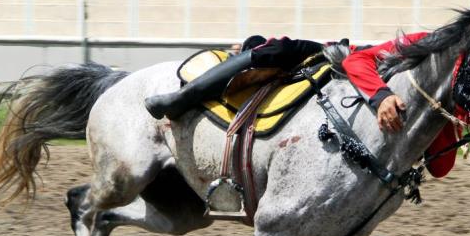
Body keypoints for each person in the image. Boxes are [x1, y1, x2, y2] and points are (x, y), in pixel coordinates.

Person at [144, 34, 419, 136]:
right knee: (275, 47)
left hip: (340, 54)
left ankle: (184, 97)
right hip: (342, 53)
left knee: (279, 47)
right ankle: (182, 97)